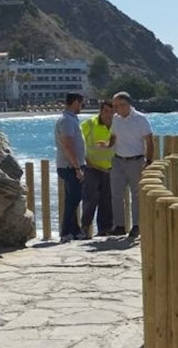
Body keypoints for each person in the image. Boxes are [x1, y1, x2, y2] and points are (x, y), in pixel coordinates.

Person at [108, 91, 155, 239]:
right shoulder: (116, 119)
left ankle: (136, 226)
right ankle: (120, 226)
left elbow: (149, 141)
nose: (115, 109)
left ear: (126, 104)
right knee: (116, 195)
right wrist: (108, 144)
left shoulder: (140, 119)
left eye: (117, 106)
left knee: (136, 195)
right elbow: (114, 136)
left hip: (135, 161)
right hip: (118, 161)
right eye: (114, 106)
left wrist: (148, 161)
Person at [54, 92, 87, 242]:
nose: (82, 107)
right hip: (69, 166)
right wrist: (77, 168)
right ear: (75, 103)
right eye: (81, 104)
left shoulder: (70, 119)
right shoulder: (67, 120)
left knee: (72, 198)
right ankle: (66, 231)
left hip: (72, 165)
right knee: (74, 199)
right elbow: (68, 145)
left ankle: (74, 230)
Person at [80, 99, 115, 236]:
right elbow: (78, 140)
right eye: (105, 111)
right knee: (90, 199)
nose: (108, 114)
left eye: (111, 111)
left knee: (107, 201)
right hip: (92, 168)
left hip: (110, 169)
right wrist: (83, 159)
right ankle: (85, 228)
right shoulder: (90, 123)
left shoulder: (117, 125)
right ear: (100, 111)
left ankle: (104, 230)